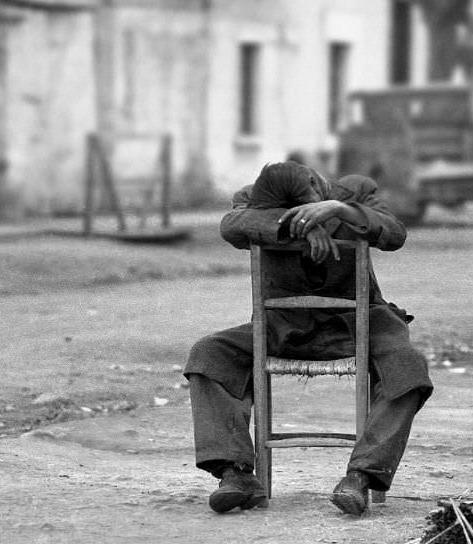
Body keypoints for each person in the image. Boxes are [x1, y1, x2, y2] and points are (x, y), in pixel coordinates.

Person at [184, 161, 433, 515]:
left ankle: (360, 477)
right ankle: (236, 474)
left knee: (409, 367)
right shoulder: (253, 199)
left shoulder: (357, 190)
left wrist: (341, 211)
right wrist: (299, 227)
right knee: (209, 355)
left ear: (318, 183)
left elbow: (394, 233)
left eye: (313, 201)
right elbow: (233, 225)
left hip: (359, 326)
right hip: (282, 328)